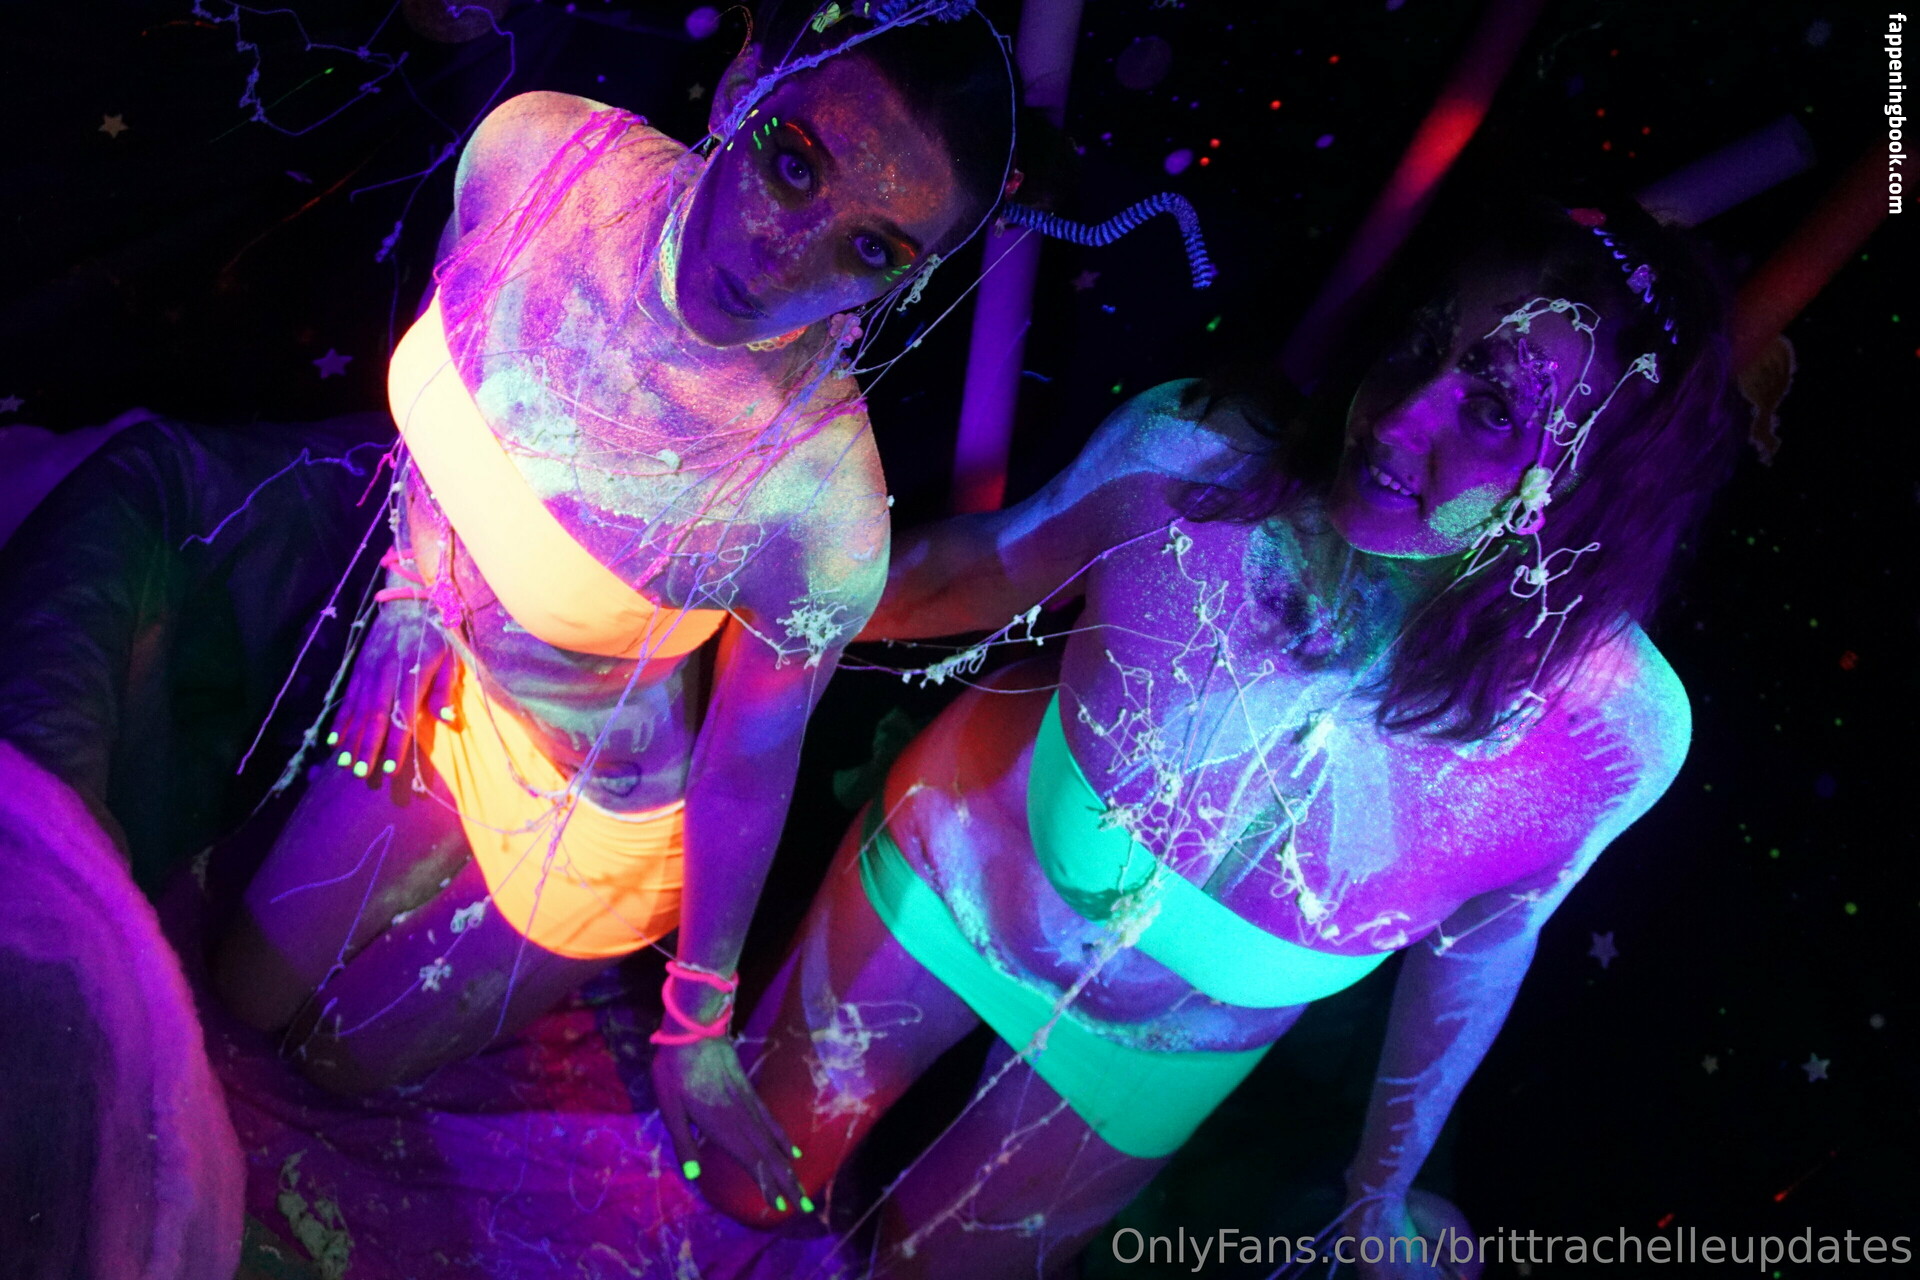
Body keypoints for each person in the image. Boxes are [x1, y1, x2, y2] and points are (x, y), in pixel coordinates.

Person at [699, 194, 1740, 1276]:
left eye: (1489, 409)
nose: (1395, 419)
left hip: (1166, 1051)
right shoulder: (1191, 465)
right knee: (739, 1180)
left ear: (1597, 479)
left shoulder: (1611, 737)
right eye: (1422, 343)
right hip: (958, 873)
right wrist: (723, 573)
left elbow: (1483, 943)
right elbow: (967, 573)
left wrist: (1379, 1190)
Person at [211, 0, 1013, 1216]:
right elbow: (454, 375)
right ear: (744, 82)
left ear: (909, 277)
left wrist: (699, 1018)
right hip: (446, 686)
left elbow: (748, 761)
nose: (787, 256)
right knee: (239, 995)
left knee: (329, 1059)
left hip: (593, 816)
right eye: (794, 164)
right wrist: (412, 591)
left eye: (867, 248)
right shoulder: (534, 155)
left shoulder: (821, 503)